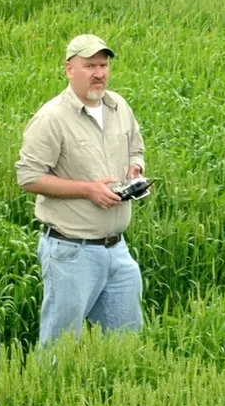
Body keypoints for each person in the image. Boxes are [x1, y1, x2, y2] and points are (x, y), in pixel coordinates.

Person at [16, 33, 147, 347]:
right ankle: (49, 393)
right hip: (71, 251)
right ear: (69, 69)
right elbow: (28, 177)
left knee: (127, 343)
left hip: (117, 249)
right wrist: (88, 190)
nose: (99, 72)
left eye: (103, 65)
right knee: (59, 347)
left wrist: (135, 169)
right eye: (90, 65)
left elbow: (136, 148)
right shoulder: (51, 119)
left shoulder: (119, 107)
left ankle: (116, 394)